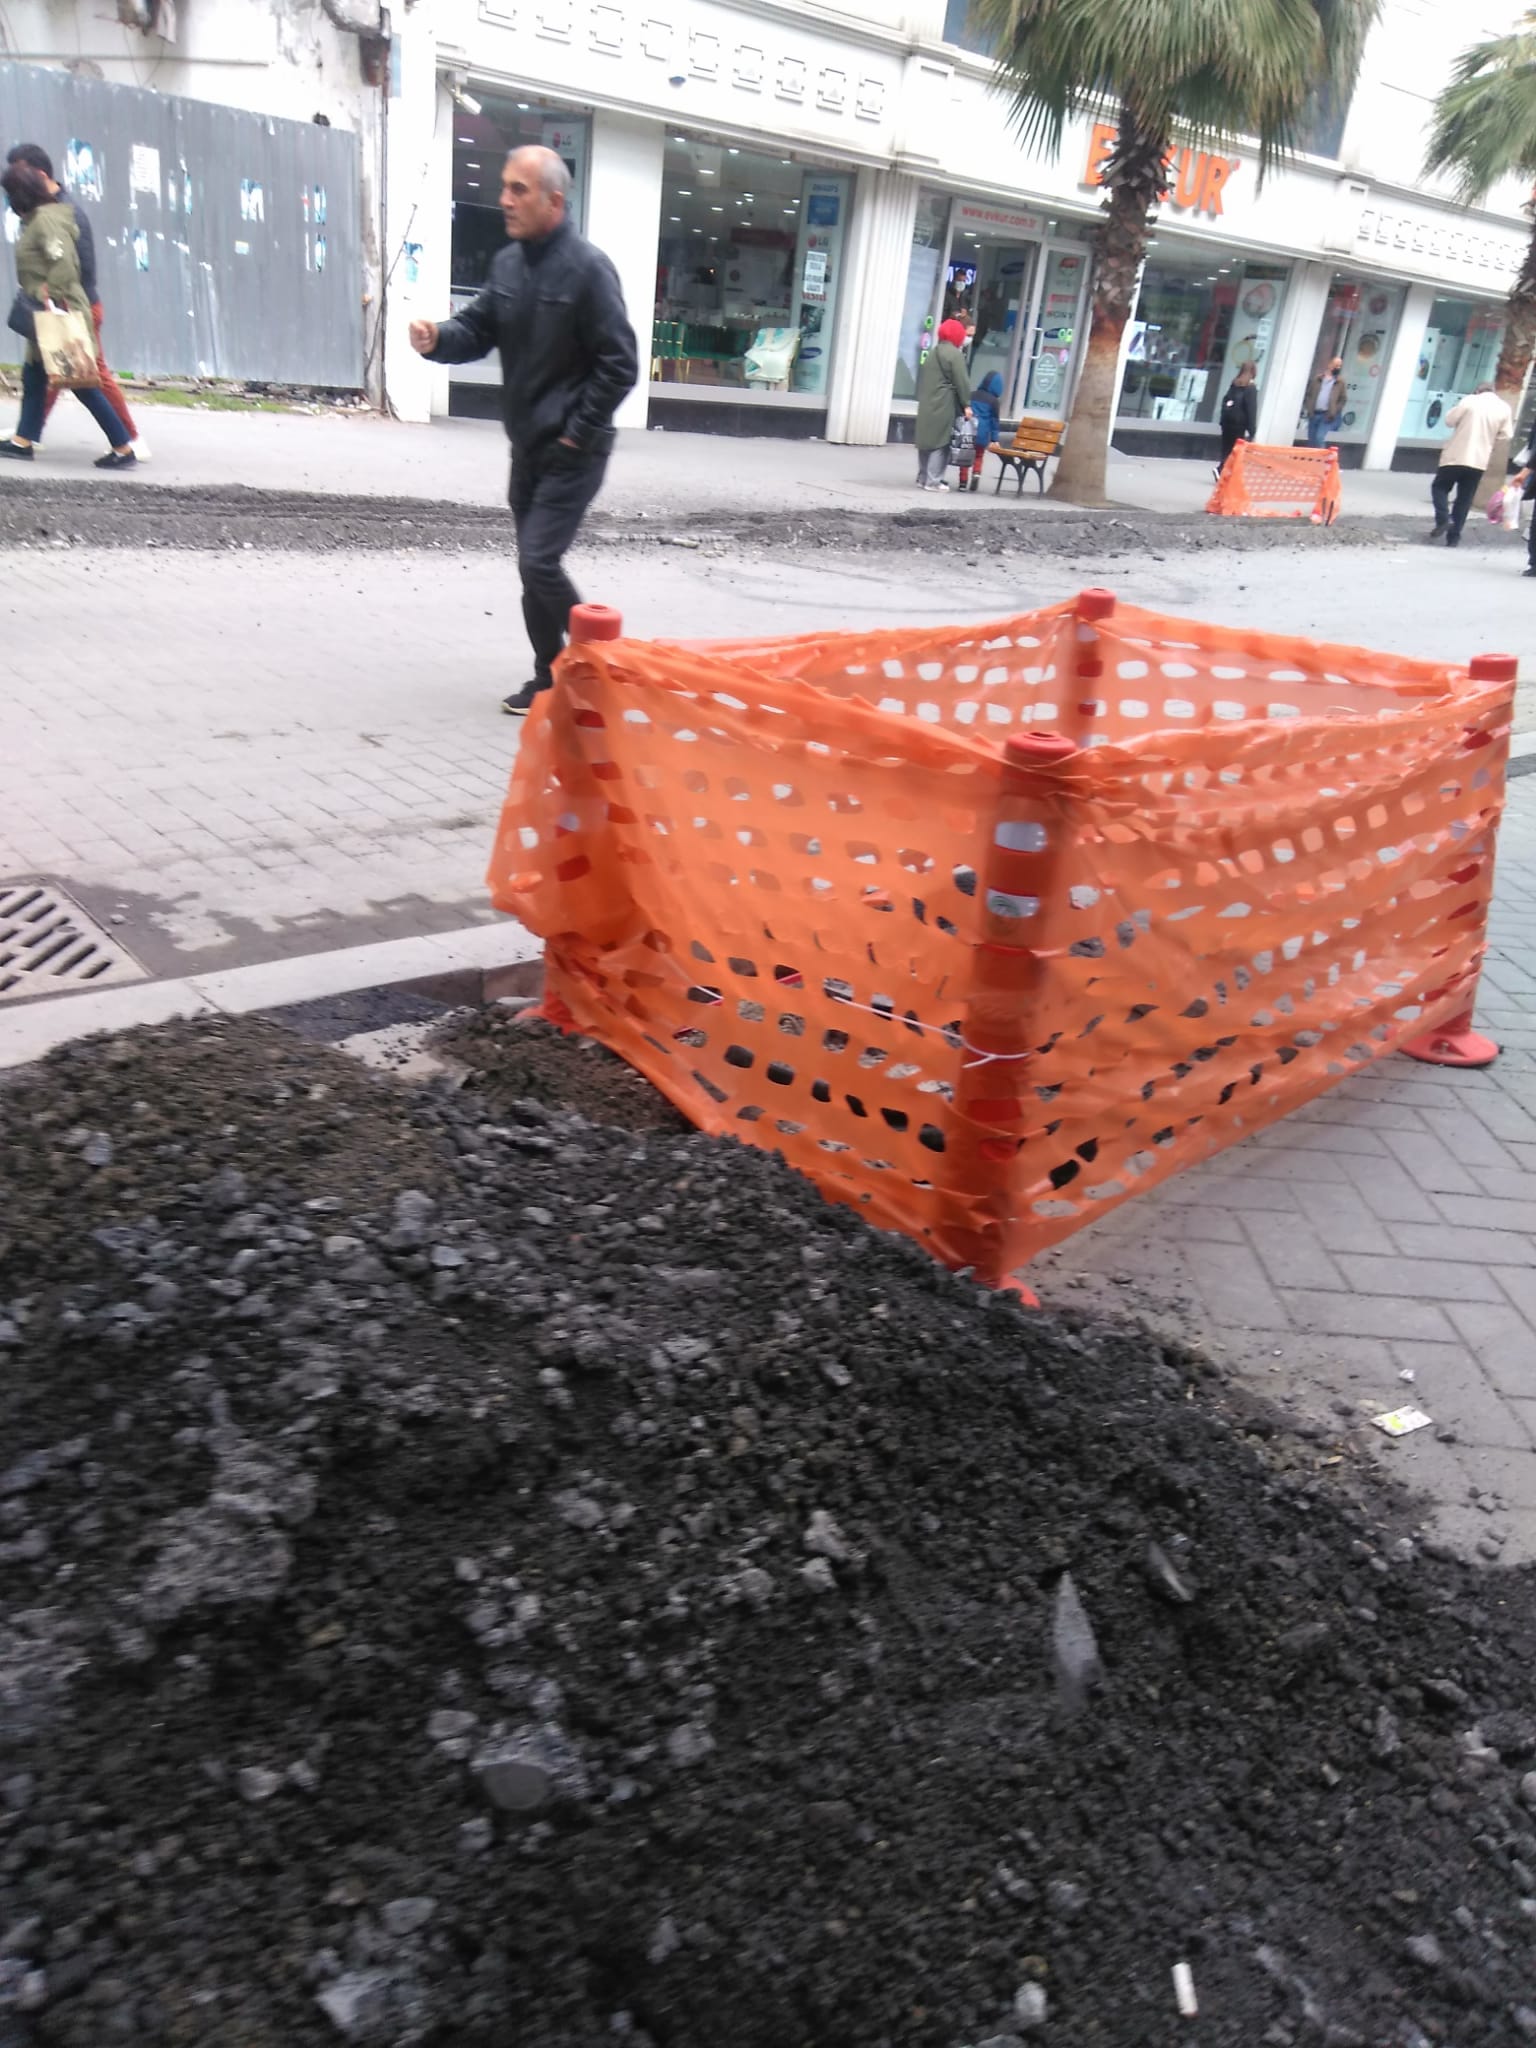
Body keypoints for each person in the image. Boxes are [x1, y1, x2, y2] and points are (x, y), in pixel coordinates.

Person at [410, 147, 636, 717]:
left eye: (519, 190)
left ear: (554, 202)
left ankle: (605, 667)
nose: (505, 200)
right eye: (504, 187)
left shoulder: (589, 270)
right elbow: (478, 327)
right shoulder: (508, 264)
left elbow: (620, 364)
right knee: (532, 569)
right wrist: (439, 338)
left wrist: (576, 432)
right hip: (528, 448)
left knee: (538, 562)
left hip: (575, 451)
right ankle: (548, 676)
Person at [5, 142, 145, 461]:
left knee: (82, 383)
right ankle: (23, 441)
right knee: (34, 375)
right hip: (48, 313)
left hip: (59, 311)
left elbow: (65, 264)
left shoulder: (47, 220)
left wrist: (49, 294)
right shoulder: (41, 217)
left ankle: (123, 445)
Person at [1431, 383, 1514, 549]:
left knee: (1440, 487)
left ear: (1477, 391)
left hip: (1455, 455)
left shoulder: (1469, 401)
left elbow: (1449, 420)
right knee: (1464, 499)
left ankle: (1444, 519)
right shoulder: (1504, 408)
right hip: (1479, 460)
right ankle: (1453, 538)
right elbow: (1506, 434)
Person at [914, 316, 971, 492]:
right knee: (941, 442)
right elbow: (962, 381)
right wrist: (966, 404)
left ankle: (922, 477)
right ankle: (933, 481)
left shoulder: (933, 352)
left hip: (927, 401)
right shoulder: (955, 355)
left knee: (926, 441)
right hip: (944, 403)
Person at [962, 369, 1004, 492]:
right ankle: (976, 474)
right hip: (982, 434)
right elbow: (994, 421)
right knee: (979, 455)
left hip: (969, 431)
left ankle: (963, 482)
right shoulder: (994, 401)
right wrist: (994, 439)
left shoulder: (971, 395)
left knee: (964, 456)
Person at [1218, 361, 1258, 476]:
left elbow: (1226, 401)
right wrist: (1252, 430)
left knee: (1226, 448)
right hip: (1239, 424)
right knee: (1236, 450)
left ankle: (1222, 470)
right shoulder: (1251, 388)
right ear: (1253, 372)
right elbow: (1251, 409)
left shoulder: (1234, 384)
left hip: (1227, 422)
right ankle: (1221, 470)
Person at [1304, 356, 1346, 448]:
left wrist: (1334, 410)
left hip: (1327, 415)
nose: (1338, 368)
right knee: (1311, 440)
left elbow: (1343, 399)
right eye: (1336, 365)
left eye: (1340, 366)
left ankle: (1322, 456)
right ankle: (1313, 456)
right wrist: (1309, 408)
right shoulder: (1317, 379)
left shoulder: (1340, 382)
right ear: (1330, 365)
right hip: (1314, 413)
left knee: (1319, 437)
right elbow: (1309, 394)